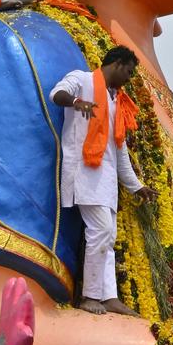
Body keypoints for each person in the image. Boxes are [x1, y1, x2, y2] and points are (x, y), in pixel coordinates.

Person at [51, 44, 146, 314]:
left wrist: (136, 186)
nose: (129, 78)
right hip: (84, 171)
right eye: (128, 72)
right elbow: (57, 93)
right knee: (101, 231)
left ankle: (109, 296)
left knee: (108, 236)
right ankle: (90, 297)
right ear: (116, 64)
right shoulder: (81, 79)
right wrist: (76, 102)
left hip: (105, 180)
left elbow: (120, 150)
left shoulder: (116, 101)